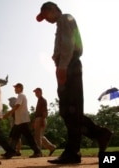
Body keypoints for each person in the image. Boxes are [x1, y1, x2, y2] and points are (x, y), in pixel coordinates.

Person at [36, 2, 112, 164]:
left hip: (70, 65)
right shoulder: (61, 23)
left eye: (45, 15)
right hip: (68, 65)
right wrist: (57, 57)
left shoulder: (64, 18)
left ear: (52, 9)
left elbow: (69, 42)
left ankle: (73, 151)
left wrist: (62, 65)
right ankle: (99, 134)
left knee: (71, 110)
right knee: (68, 111)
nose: (46, 20)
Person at [3, 83, 42, 158]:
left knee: (28, 137)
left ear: (20, 88)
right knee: (15, 137)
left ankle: (37, 152)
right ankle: (11, 152)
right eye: (15, 88)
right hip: (19, 121)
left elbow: (17, 106)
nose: (15, 89)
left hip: (22, 121)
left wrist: (8, 113)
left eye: (16, 88)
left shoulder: (21, 95)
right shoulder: (20, 96)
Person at [32, 87, 56, 156]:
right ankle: (51, 147)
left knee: (37, 137)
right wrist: (34, 121)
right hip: (39, 119)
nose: (36, 94)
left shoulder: (43, 100)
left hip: (40, 119)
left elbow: (44, 111)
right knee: (40, 136)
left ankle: (38, 152)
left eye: (37, 92)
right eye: (35, 92)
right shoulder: (39, 100)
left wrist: (42, 120)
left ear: (41, 92)